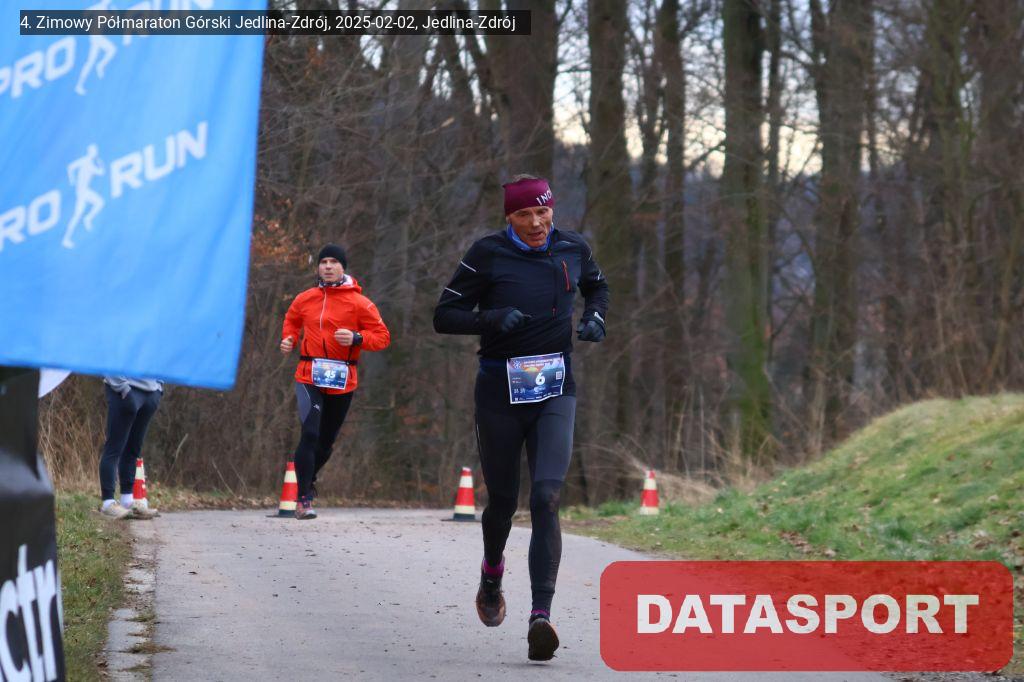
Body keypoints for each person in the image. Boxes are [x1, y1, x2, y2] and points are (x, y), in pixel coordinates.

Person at [433, 175, 609, 661]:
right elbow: (444, 315)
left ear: (553, 209)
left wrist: (596, 317)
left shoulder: (573, 247)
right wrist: (490, 318)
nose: (535, 223)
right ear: (509, 217)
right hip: (499, 391)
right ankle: (492, 573)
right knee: (504, 502)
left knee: (547, 497)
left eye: (542, 212)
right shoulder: (487, 254)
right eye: (523, 215)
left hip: (555, 388)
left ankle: (540, 616)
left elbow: (597, 287)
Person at [280, 244, 390, 520]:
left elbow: (382, 337)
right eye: (323, 262)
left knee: (325, 442)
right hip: (309, 375)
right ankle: (303, 499)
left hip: (342, 379)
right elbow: (292, 320)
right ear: (318, 267)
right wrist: (289, 338)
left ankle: (308, 478)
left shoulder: (360, 303)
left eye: (333, 262)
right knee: (310, 433)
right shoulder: (305, 298)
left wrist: (357, 338)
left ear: (343, 267)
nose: (328, 266)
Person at [98, 376, 162, 520]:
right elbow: (109, 362)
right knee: (114, 448)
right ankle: (108, 503)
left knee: (133, 449)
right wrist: (122, 387)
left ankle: (128, 501)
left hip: (151, 391)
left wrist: (159, 387)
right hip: (124, 390)